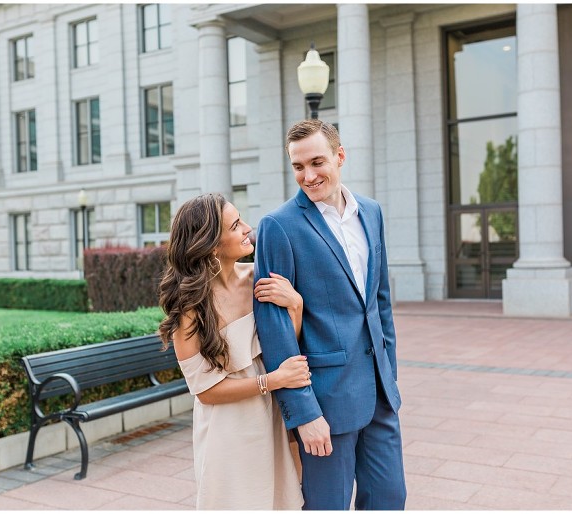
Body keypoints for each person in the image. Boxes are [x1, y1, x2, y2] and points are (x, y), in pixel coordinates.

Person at [253, 119, 407, 510]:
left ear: (340, 157)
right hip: (326, 402)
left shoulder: (371, 212)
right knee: (327, 506)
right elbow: (274, 327)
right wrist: (303, 413)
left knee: (390, 499)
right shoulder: (278, 226)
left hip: (379, 394)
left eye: (317, 162)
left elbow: (379, 302)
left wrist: (389, 373)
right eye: (298, 166)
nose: (308, 176)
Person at [158, 193, 308, 510]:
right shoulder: (190, 307)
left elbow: (286, 346)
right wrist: (273, 381)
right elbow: (205, 391)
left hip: (273, 419)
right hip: (227, 432)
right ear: (212, 245)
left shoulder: (259, 279)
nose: (247, 229)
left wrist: (295, 305)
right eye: (236, 225)